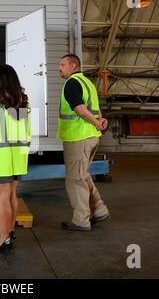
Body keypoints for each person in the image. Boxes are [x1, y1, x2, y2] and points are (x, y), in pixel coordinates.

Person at [57, 54, 110, 232]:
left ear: (73, 66)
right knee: (83, 174)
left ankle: (81, 220)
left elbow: (80, 109)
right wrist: (101, 122)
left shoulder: (71, 83)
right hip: (91, 136)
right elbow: (95, 108)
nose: (60, 68)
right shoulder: (88, 83)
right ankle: (99, 209)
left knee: (75, 179)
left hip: (78, 137)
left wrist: (96, 122)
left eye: (62, 65)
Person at [0, 64, 31, 251]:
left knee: (2, 197)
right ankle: (10, 231)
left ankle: (3, 239)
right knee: (12, 195)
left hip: (1, 156)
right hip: (19, 155)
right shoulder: (22, 100)